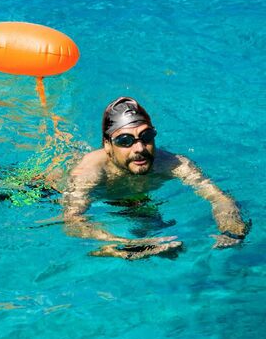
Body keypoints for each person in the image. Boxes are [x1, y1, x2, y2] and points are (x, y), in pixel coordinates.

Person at [62, 97, 248, 260]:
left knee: (161, 233)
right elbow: (72, 222)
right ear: (107, 145)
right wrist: (128, 244)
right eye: (125, 140)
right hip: (49, 191)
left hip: (133, 199)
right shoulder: (89, 173)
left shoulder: (172, 163)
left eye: (146, 136)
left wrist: (231, 231)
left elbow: (219, 197)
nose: (140, 148)